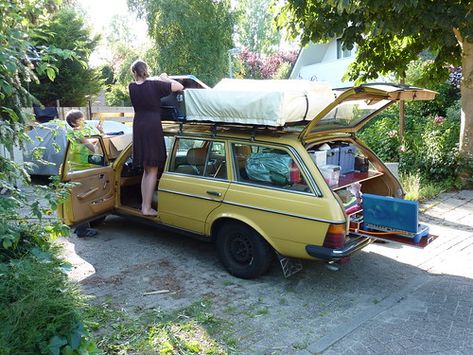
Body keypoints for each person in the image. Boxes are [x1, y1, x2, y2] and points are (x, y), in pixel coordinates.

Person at [128, 60, 184, 216]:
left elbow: (142, 85)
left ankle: (144, 205)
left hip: (139, 124)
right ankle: (146, 207)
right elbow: (179, 87)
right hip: (152, 125)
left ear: (134, 72)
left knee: (147, 170)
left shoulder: (131, 87)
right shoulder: (154, 85)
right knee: (152, 170)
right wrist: (165, 78)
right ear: (146, 70)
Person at [65, 109, 104, 238]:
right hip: (80, 169)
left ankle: (79, 226)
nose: (84, 121)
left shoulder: (78, 132)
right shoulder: (77, 133)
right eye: (80, 119)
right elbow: (92, 148)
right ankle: (82, 230)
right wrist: (98, 140)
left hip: (82, 167)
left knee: (82, 198)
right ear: (73, 122)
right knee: (84, 199)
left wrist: (99, 131)